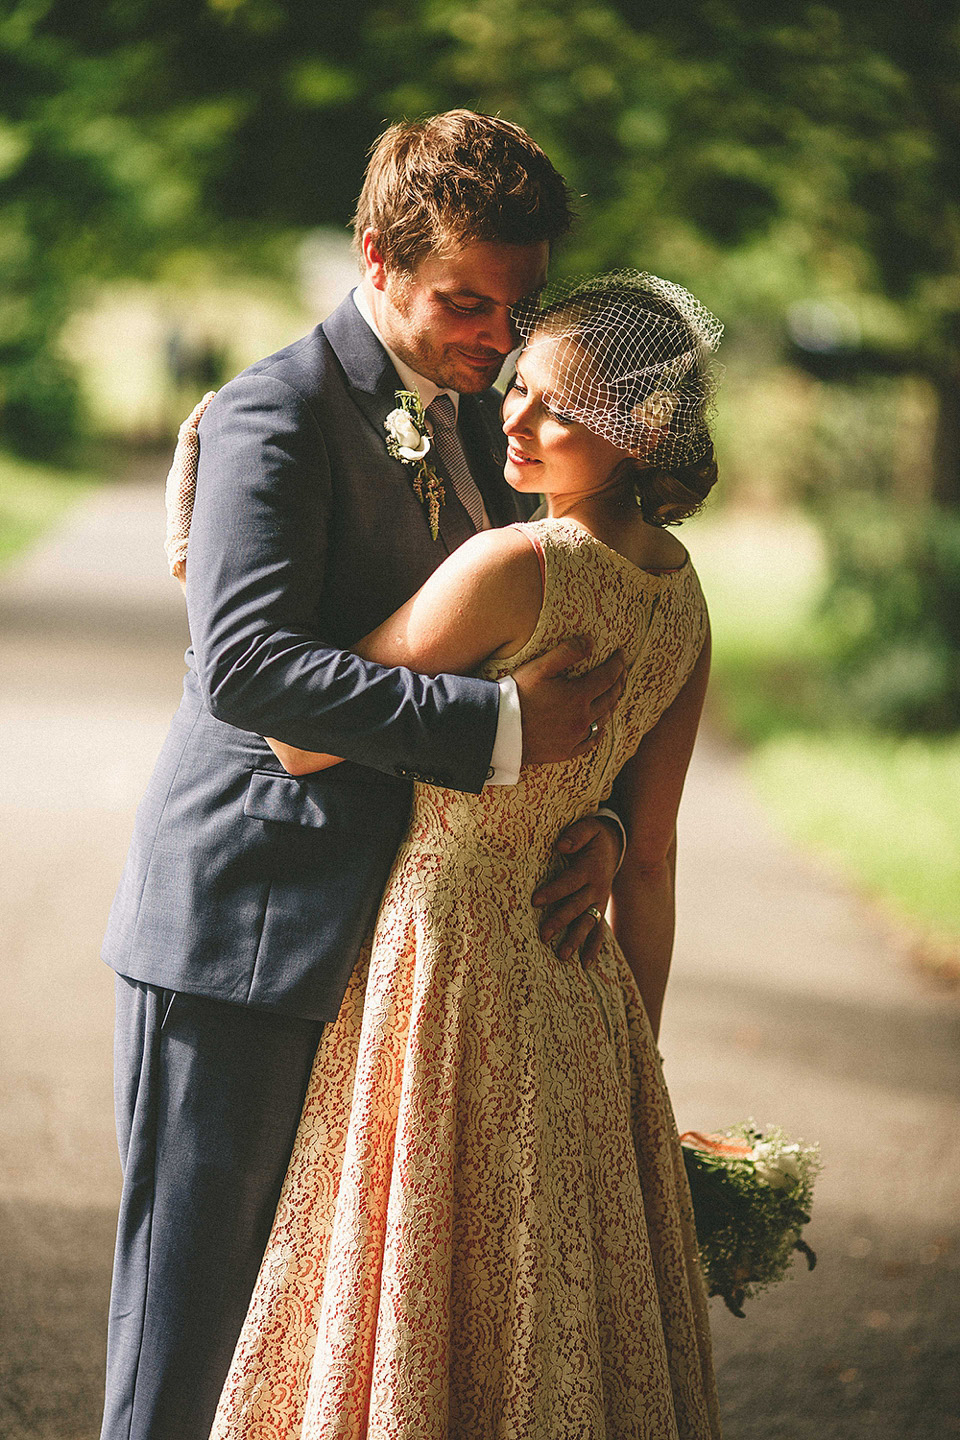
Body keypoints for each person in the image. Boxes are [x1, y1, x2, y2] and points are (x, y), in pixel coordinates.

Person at [99, 112, 628, 1440]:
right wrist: (498, 730)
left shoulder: (480, 426)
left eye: (521, 305)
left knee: (304, 1355)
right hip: (247, 934)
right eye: (467, 300)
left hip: (399, 963)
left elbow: (543, 627)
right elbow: (251, 667)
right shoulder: (273, 413)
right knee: (188, 1340)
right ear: (376, 256)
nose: (500, 336)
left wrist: (599, 820)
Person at [198, 271, 724, 1437]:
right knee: (549, 1296)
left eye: (556, 410)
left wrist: (205, 547)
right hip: (580, 990)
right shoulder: (683, 601)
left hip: (447, 965)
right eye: (519, 391)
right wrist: (638, 1068)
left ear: (638, 429)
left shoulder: (516, 566)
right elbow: (648, 857)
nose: (517, 423)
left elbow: (301, 729)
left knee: (422, 1277)